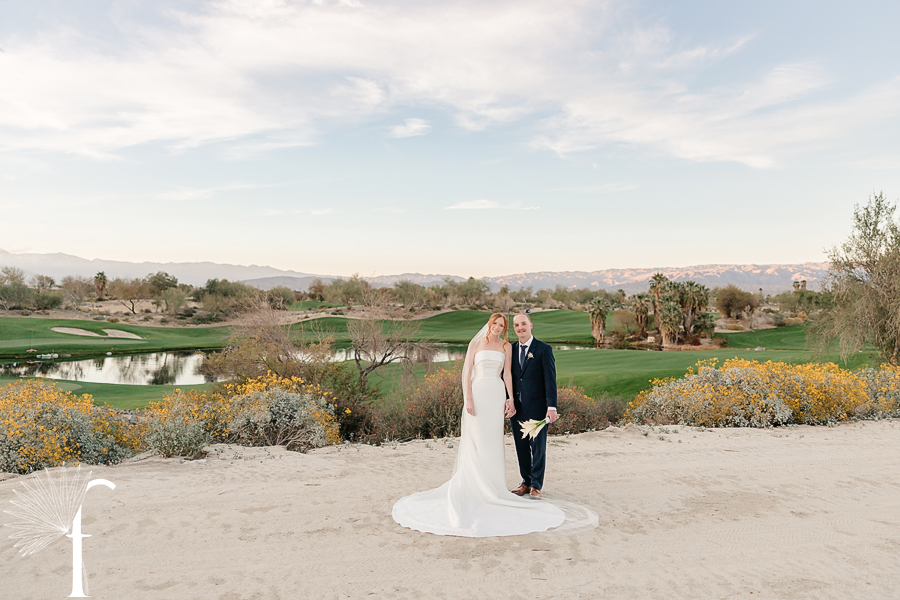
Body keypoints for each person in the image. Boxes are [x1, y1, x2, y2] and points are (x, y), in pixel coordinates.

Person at [391, 313, 566, 537]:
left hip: (499, 397)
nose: (500, 327)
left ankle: (528, 485)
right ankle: (500, 483)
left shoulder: (513, 347)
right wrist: (468, 399)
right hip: (478, 394)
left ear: (527, 326)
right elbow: (467, 371)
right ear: (490, 324)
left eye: (503, 325)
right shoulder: (477, 343)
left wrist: (512, 399)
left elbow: (509, 376)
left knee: (497, 441)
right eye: (498, 324)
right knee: (481, 440)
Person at [509, 312, 557, 499]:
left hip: (538, 407)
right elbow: (508, 377)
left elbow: (550, 380)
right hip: (516, 408)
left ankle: (537, 484)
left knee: (537, 447)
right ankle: (526, 482)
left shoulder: (543, 349)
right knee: (521, 447)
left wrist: (551, 407)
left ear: (531, 325)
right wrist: (507, 400)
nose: (520, 328)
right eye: (516, 325)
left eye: (523, 324)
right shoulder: (510, 350)